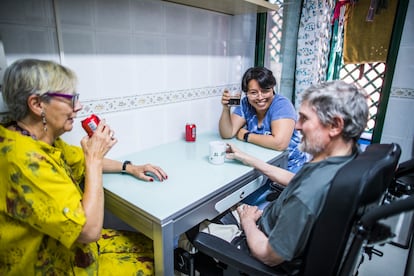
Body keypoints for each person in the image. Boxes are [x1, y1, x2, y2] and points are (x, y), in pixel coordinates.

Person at [0, 59, 168, 275]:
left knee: (157, 249)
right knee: (160, 262)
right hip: (55, 266)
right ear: (37, 104)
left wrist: (130, 167)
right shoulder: (23, 161)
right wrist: (95, 160)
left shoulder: (38, 141)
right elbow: (89, 231)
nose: (78, 106)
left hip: (76, 251)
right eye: (71, 99)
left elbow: (79, 159)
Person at [182, 80, 369, 271]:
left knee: (190, 227)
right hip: (270, 221)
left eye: (305, 119)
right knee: (222, 208)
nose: (297, 126)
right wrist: (248, 158)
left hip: (258, 243)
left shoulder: (308, 193)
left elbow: (267, 256)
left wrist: (248, 221)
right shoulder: (344, 161)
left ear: (335, 125)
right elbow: (296, 180)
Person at [219, 66, 307, 173]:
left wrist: (246, 136)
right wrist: (225, 109)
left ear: (272, 89)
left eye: (265, 91)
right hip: (262, 166)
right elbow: (227, 133)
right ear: (246, 93)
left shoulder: (282, 105)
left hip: (289, 168)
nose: (260, 97)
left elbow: (279, 144)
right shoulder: (245, 103)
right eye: (253, 93)